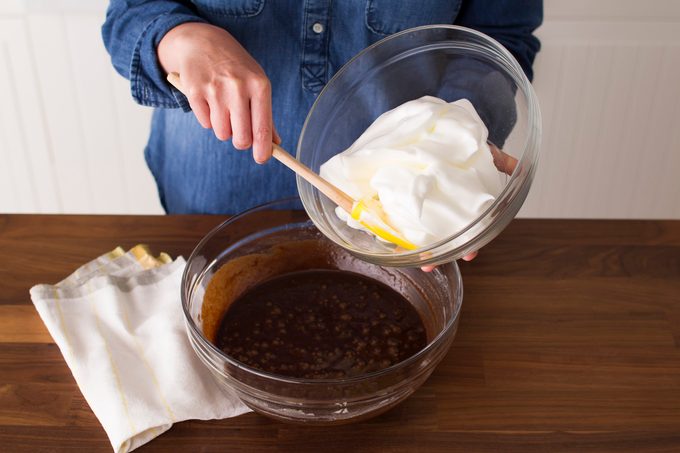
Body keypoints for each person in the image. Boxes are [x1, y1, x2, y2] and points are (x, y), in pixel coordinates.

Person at [102, 0, 542, 262]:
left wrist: (459, 138)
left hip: (404, 227)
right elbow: (130, 13)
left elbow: (501, 33)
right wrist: (181, 37)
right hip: (211, 206)